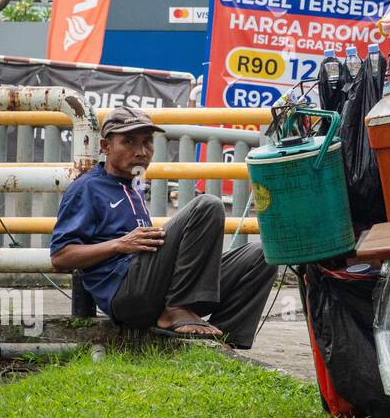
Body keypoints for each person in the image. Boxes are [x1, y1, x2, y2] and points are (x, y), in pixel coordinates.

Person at [49, 107, 277, 347]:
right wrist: (119, 245)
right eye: (128, 141)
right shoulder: (87, 188)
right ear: (105, 147)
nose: (141, 151)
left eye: (147, 142)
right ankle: (176, 309)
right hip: (127, 296)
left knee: (262, 254)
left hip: (156, 289)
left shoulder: (133, 186)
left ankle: (224, 344)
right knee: (208, 205)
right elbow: (61, 257)